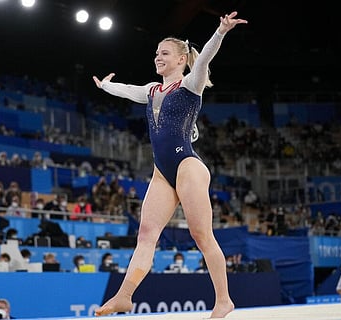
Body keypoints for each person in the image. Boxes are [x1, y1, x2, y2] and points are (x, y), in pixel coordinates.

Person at [92, 11, 247, 318]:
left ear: (180, 59)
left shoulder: (191, 85)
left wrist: (220, 32)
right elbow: (129, 90)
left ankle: (223, 300)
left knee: (201, 235)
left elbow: (204, 60)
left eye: (164, 53)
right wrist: (105, 87)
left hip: (188, 165)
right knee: (146, 234)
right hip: (162, 172)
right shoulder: (152, 90)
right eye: (156, 53)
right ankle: (124, 296)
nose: (157, 57)